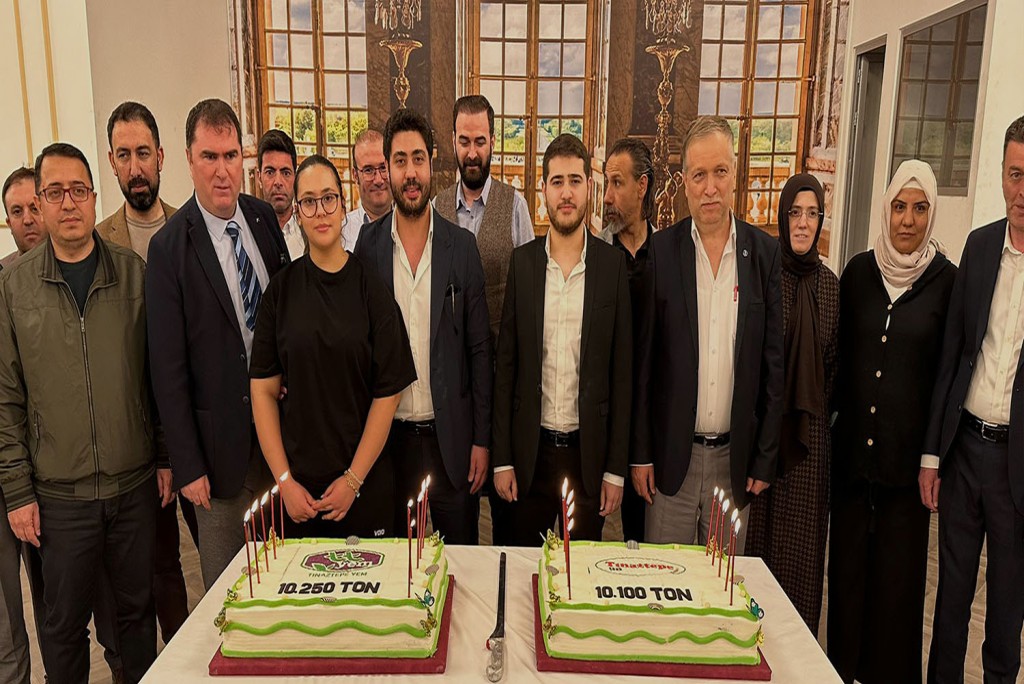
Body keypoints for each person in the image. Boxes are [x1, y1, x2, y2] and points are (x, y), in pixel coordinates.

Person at [0, 142, 166, 684]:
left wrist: (165, 456)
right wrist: (18, 492)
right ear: (40, 203)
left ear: (94, 197)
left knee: (136, 619)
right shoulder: (13, 288)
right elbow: (6, 399)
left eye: (78, 190)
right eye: (54, 192)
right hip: (59, 499)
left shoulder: (133, 274)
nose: (68, 203)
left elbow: (157, 375)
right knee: (63, 629)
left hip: (132, 487)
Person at [147, 99, 289, 590]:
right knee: (229, 592)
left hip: (280, 438)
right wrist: (186, 465)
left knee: (284, 576)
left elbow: (287, 313)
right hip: (217, 455)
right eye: (210, 157)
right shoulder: (169, 249)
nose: (223, 170)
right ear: (188, 159)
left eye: (231, 156)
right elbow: (166, 369)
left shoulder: (263, 219)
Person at [825, 160, 956, 684]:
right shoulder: (858, 272)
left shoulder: (946, 282)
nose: (907, 220)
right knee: (847, 585)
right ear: (886, 209)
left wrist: (933, 455)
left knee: (897, 594)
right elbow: (838, 361)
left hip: (907, 473)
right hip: (852, 468)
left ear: (931, 214)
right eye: (899, 207)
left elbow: (947, 375)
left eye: (919, 208)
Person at [632, 115, 784, 551]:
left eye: (720, 172)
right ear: (684, 182)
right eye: (699, 175)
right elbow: (644, 364)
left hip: (734, 463)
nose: (711, 187)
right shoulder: (662, 252)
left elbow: (773, 367)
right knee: (665, 581)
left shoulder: (764, 255)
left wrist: (764, 457)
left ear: (735, 174)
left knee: (720, 584)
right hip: (670, 462)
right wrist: (641, 454)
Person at [251, 154, 416, 538]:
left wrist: (353, 480)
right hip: (298, 495)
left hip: (364, 486)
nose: (320, 211)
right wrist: (284, 482)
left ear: (343, 204)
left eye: (328, 198)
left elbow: (388, 394)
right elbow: (262, 390)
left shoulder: (372, 290)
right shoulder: (281, 292)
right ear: (297, 212)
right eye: (309, 202)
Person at [355, 109, 492, 544]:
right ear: (388, 168)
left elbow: (480, 351)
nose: (410, 172)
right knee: (398, 565)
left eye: (418, 158)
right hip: (389, 445)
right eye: (400, 160)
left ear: (432, 161)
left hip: (451, 442)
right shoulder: (367, 248)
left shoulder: (462, 247)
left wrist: (482, 440)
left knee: (460, 563)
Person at [491, 133, 632, 545]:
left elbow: (622, 373)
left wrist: (615, 470)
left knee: (578, 576)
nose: (566, 193)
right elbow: (506, 367)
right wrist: (502, 459)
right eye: (557, 182)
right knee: (524, 570)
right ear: (543, 191)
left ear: (590, 187)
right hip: (529, 455)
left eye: (574, 181)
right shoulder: (523, 264)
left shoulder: (612, 267)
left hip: (589, 458)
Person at [923, 116, 1024, 684]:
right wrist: (932, 455)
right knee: (950, 609)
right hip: (964, 453)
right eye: (1015, 174)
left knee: (1006, 620)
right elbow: (952, 357)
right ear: (1002, 176)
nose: (1022, 190)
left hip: (1018, 469)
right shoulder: (980, 247)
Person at [97, 100, 197, 646]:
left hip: (194, 427)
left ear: (161, 157)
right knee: (160, 563)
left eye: (143, 153)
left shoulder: (191, 228)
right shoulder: (98, 242)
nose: (135, 167)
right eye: (123, 155)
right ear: (111, 162)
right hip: (136, 436)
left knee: (219, 553)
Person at [744, 174, 838, 636]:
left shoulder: (831, 287)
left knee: (801, 560)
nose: (803, 223)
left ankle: (795, 653)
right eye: (795, 213)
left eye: (812, 214)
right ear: (782, 216)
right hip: (764, 436)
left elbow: (834, 366)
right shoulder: (764, 275)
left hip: (810, 444)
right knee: (756, 553)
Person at [434, 94, 535, 341]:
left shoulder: (516, 206)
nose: (472, 153)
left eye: (480, 142)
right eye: (464, 142)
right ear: (453, 142)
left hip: (500, 354)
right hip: (450, 355)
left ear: (492, 142)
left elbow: (530, 291)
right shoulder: (436, 207)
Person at [600, 137, 655, 543]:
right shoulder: (596, 256)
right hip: (602, 420)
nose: (607, 196)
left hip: (648, 422)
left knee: (641, 539)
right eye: (606, 183)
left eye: (617, 183)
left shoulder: (667, 256)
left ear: (642, 186)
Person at [257, 129, 306, 260]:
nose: (278, 182)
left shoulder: (309, 232)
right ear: (259, 177)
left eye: (286, 173)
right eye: (270, 172)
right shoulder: (248, 233)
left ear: (295, 177)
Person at [342, 128, 392, 251]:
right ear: (355, 176)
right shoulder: (342, 232)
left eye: (383, 168)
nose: (378, 180)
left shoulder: (410, 228)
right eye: (368, 170)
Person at [1, 167, 45, 268]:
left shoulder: (74, 266)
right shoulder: (3, 273)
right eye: (17, 212)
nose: (28, 220)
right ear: (9, 224)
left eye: (35, 208)